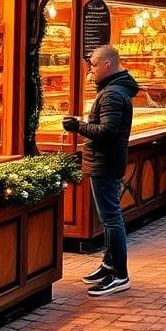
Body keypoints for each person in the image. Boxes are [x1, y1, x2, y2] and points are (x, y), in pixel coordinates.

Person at [63, 44, 137, 296]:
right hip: (105, 160)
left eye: (94, 65)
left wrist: (78, 126)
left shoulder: (112, 95)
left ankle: (120, 275)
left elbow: (107, 131)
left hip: (105, 161)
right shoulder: (112, 91)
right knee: (108, 218)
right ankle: (108, 264)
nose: (91, 70)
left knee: (111, 219)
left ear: (108, 64)